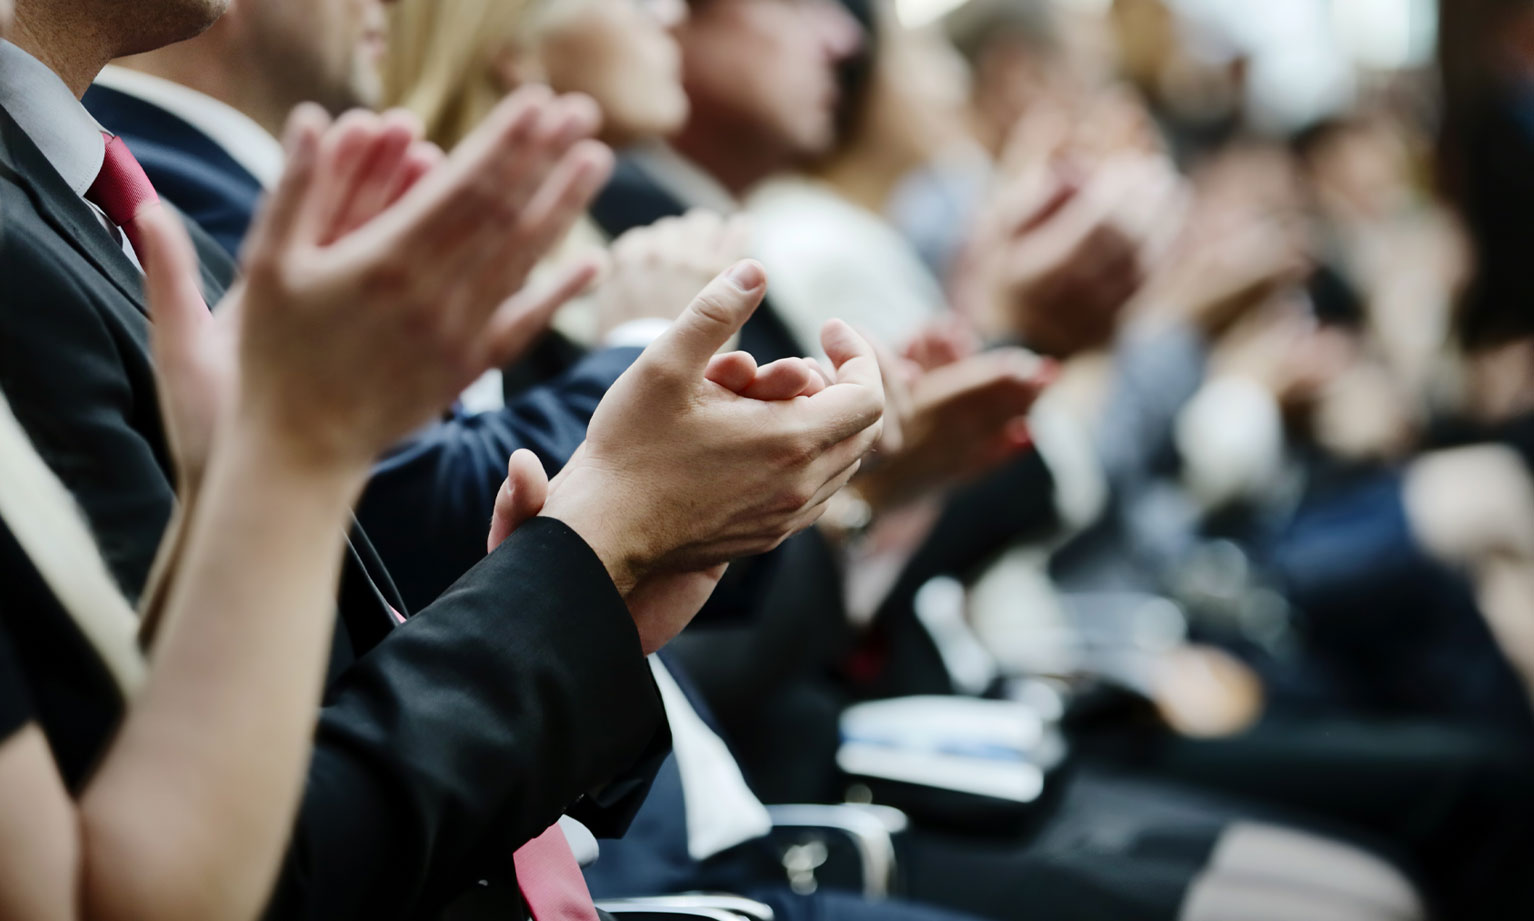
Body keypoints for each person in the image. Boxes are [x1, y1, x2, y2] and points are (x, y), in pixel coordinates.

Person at [0, 3, 888, 918]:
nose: (666, 8)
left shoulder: (103, 196)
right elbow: (205, 870)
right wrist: (585, 554)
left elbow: (298, 710)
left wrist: (586, 585)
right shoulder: (89, 219)